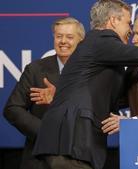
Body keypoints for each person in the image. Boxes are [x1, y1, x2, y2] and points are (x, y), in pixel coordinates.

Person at [32, 0, 138, 169]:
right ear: (113, 20)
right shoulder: (102, 40)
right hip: (71, 144)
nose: (132, 37)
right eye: (129, 25)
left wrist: (66, 92)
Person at [3, 17, 85, 169]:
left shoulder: (91, 72)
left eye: (69, 37)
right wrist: (45, 132)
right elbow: (12, 109)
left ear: (81, 41)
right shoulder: (35, 70)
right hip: (40, 159)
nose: (63, 41)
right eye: (59, 36)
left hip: (79, 158)